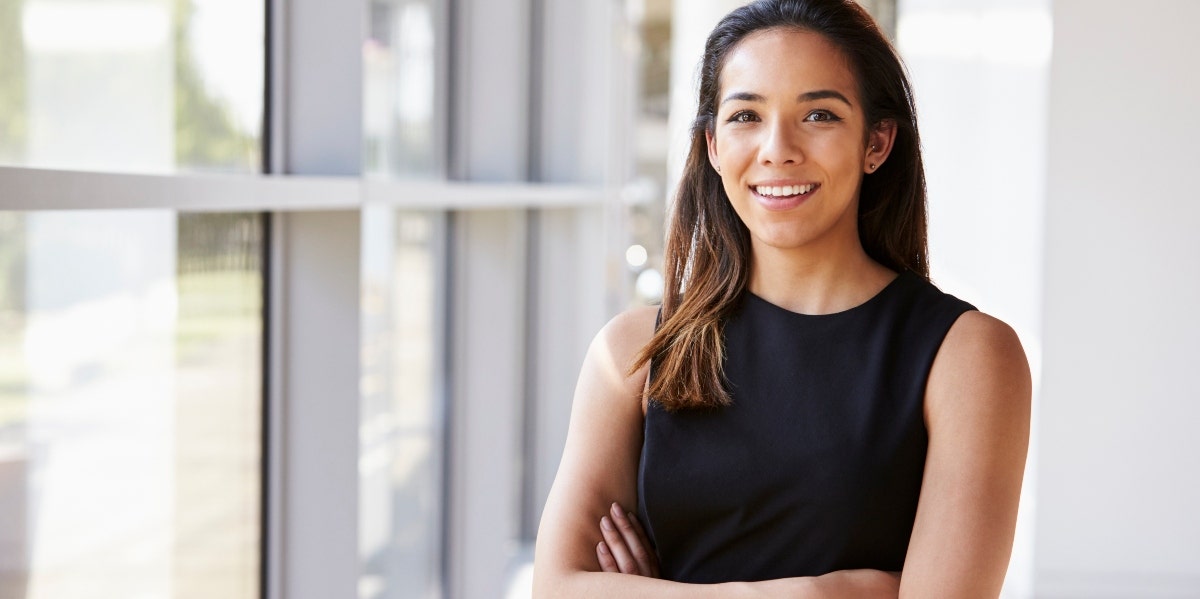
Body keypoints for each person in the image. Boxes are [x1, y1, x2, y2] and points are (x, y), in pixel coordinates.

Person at [532, 0, 1031, 596]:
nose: (778, 148)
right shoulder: (634, 352)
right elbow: (557, 587)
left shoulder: (967, 357)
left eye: (819, 114)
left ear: (876, 142)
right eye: (746, 116)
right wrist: (823, 593)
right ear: (713, 145)